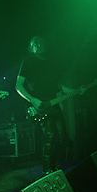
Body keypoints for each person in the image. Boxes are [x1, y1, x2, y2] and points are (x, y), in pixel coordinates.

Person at [15, 35, 86, 175]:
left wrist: (77, 91)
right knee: (51, 135)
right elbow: (18, 86)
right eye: (35, 43)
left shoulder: (51, 63)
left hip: (54, 103)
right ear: (31, 48)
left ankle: (56, 167)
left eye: (41, 41)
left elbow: (59, 86)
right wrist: (33, 99)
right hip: (40, 105)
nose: (39, 44)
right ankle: (47, 170)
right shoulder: (28, 62)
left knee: (63, 136)